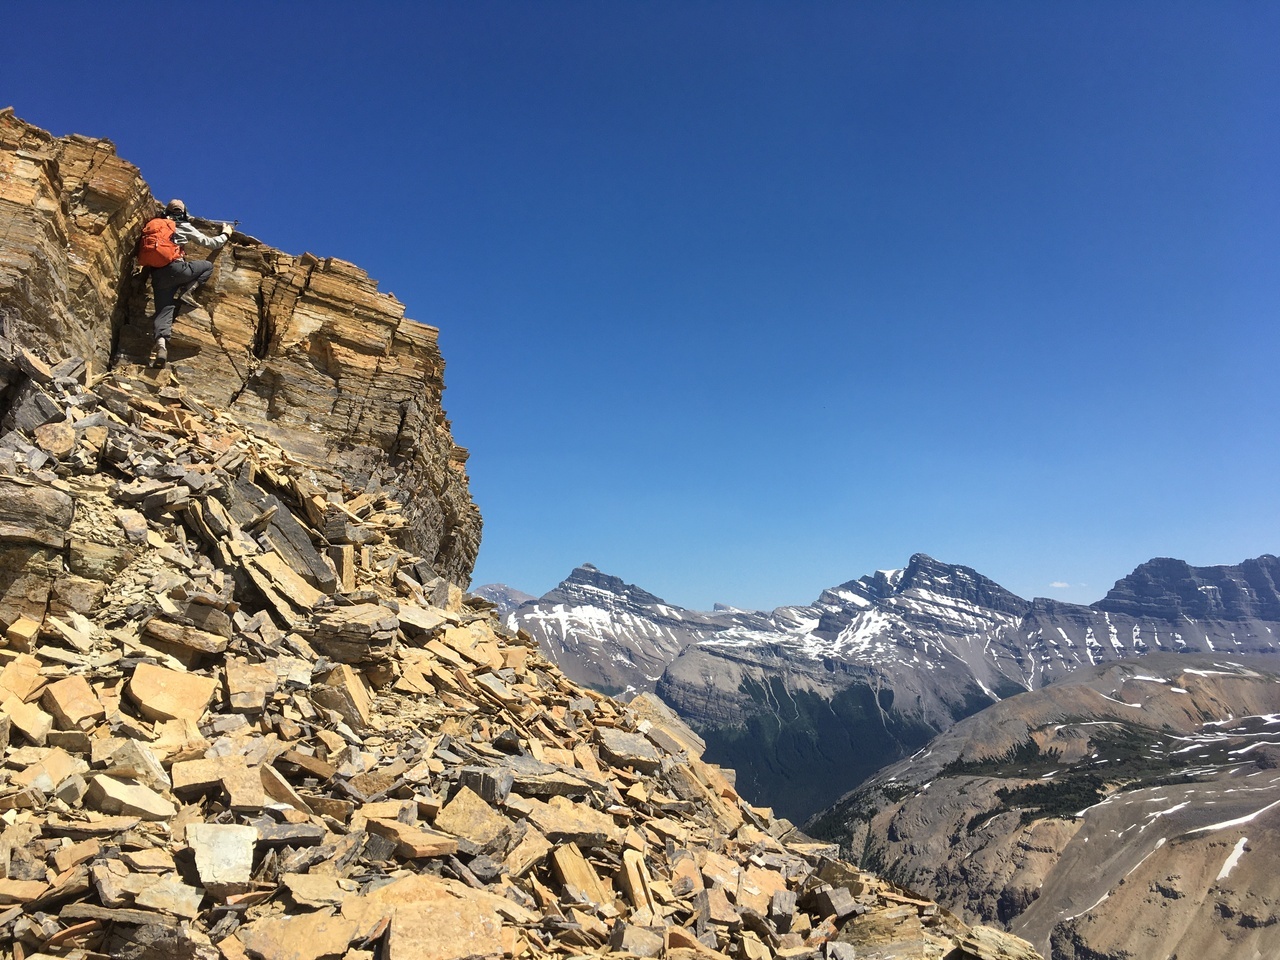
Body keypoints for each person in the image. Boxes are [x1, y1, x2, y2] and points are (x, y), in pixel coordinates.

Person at [143, 199, 234, 365]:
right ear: (184, 212)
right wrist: (226, 233)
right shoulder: (184, 226)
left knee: (164, 311)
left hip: (158, 276)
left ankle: (161, 346)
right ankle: (188, 291)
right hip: (177, 269)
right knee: (207, 266)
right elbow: (212, 243)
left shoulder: (155, 224)